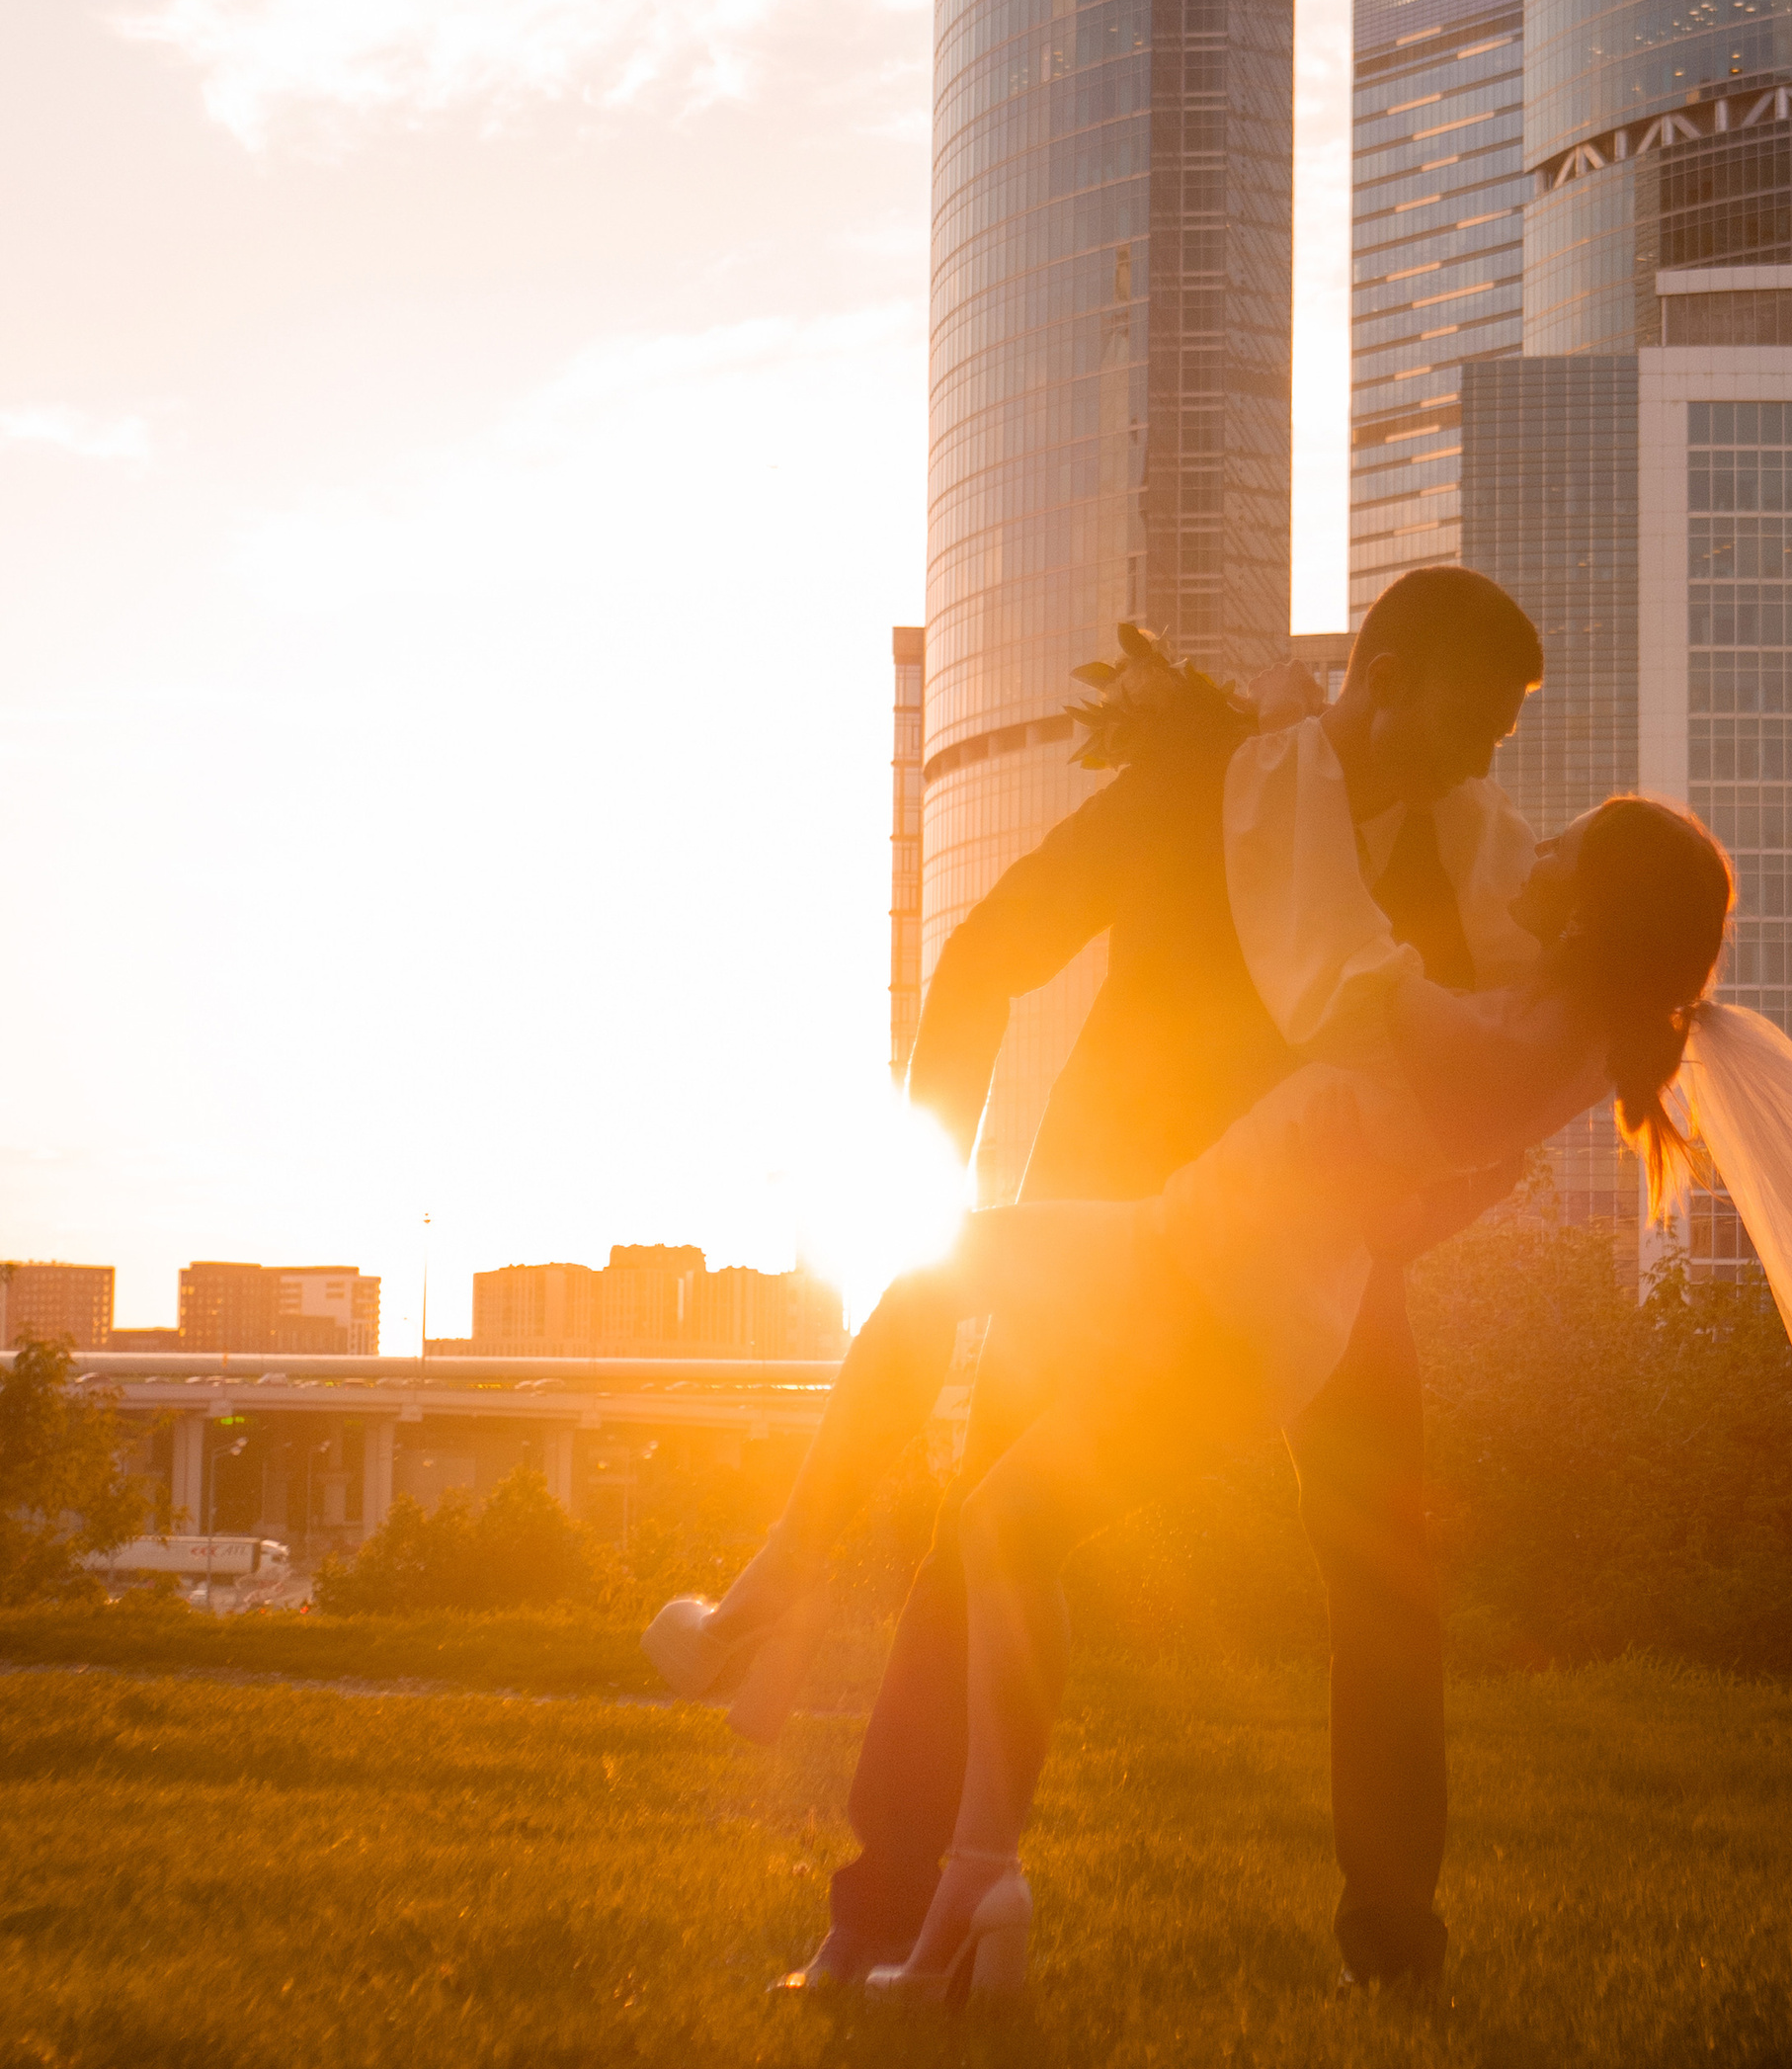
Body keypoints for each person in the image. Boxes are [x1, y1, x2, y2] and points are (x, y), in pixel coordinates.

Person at [657, 793, 1734, 2001]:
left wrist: (1288, 750)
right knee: (1004, 1521)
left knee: (935, 1311)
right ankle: (973, 1878)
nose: (1530, 851)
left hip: (1227, 1281)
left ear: (1593, 907)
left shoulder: (1521, 1037)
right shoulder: (1553, 1019)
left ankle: (771, 1610)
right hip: (1218, 1254)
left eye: (1561, 847)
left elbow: (1353, 963)